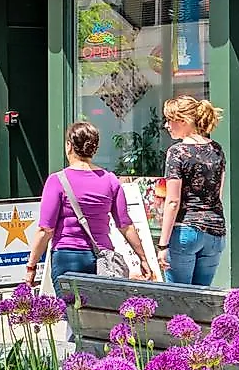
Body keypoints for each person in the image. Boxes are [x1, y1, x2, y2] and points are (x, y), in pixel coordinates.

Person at [25, 120, 158, 288]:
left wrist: (31, 265)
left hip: (68, 256)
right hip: (102, 258)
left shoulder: (56, 181)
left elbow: (45, 230)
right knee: (98, 312)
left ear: (69, 146)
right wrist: (143, 258)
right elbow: (125, 225)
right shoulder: (110, 180)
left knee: (71, 311)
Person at [157, 96, 228, 288]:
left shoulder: (177, 152)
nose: (167, 125)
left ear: (183, 121)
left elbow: (173, 201)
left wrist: (162, 245)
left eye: (170, 120)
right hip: (215, 232)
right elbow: (218, 194)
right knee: (201, 298)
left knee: (179, 299)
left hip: (185, 231)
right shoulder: (217, 149)